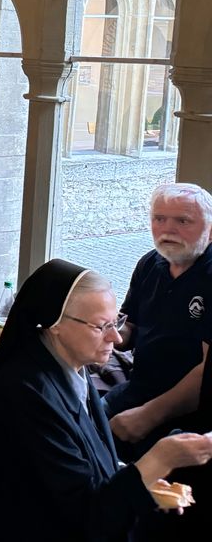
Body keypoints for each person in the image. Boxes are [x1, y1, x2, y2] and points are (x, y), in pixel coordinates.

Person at [0, 259, 212, 542]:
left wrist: (141, 481)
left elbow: (86, 469)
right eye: (101, 326)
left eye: (116, 321)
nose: (116, 337)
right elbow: (88, 518)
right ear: (54, 323)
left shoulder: (73, 369)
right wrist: (159, 459)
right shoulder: (25, 397)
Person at [105, 183, 212, 455]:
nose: (168, 230)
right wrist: (103, 330)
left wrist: (148, 416)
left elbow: (206, 372)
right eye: (159, 219)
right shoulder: (150, 263)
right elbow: (128, 327)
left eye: (183, 221)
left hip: (192, 411)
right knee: (76, 421)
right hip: (140, 387)